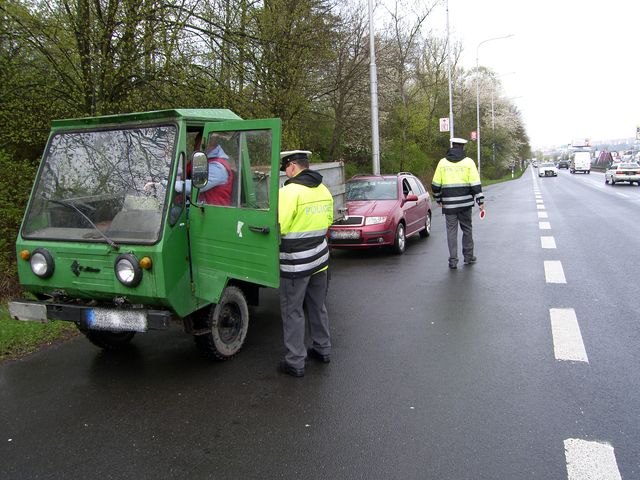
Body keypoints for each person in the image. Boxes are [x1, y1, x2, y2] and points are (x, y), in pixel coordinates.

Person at [277, 150, 334, 378]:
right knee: (317, 306)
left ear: (292, 166)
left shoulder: (289, 192)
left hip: (295, 264)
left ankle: (295, 361)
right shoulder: (323, 188)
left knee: (293, 311)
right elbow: (328, 221)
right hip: (320, 260)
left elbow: (278, 226)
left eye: (286, 169)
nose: (285, 174)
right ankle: (323, 349)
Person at [431, 137, 484, 270]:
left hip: (449, 205)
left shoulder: (442, 163)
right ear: (462, 147)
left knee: (451, 231)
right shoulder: (469, 162)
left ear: (452, 146)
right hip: (465, 204)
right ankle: (468, 256)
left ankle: (453, 261)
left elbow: (435, 184)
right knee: (467, 229)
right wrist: (480, 200)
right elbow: (475, 183)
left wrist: (438, 199)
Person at [193, 132, 234, 206]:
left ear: (207, 144)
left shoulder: (218, 167)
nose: (195, 147)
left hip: (214, 210)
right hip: (200, 205)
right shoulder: (204, 159)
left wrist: (177, 185)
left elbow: (199, 185)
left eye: (197, 144)